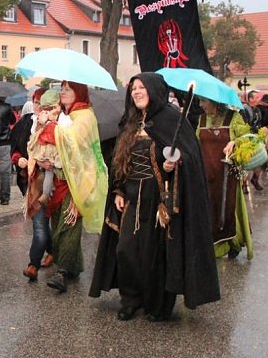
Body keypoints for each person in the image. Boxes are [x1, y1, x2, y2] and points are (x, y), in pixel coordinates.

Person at [89, 73, 220, 321]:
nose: (136, 92)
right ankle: (131, 299)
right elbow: (118, 159)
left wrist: (175, 163)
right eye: (134, 88)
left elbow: (190, 157)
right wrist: (118, 189)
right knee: (126, 250)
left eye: (142, 88)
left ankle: (158, 304)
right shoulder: (129, 121)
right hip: (132, 197)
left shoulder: (170, 120)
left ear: (154, 90)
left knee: (157, 253)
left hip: (159, 198)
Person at [39, 81, 108, 293]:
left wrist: (49, 126)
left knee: (67, 226)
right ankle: (74, 266)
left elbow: (71, 140)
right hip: (61, 180)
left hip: (80, 182)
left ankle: (62, 272)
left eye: (68, 89)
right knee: (59, 223)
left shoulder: (85, 116)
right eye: (62, 88)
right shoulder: (67, 114)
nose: (63, 92)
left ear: (78, 93)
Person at [197, 97, 254, 260]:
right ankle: (212, 245)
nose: (201, 105)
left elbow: (249, 138)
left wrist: (235, 142)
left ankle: (232, 243)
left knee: (227, 209)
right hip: (206, 173)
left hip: (227, 173)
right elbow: (195, 144)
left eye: (203, 102)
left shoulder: (233, 118)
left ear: (214, 101)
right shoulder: (201, 119)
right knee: (210, 209)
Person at [16, 89, 58, 282]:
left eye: (43, 103)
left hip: (52, 183)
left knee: (42, 225)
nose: (38, 106)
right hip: (32, 181)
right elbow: (15, 148)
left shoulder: (58, 127)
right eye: (36, 102)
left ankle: (35, 263)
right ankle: (46, 254)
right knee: (40, 224)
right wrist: (19, 159)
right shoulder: (25, 123)